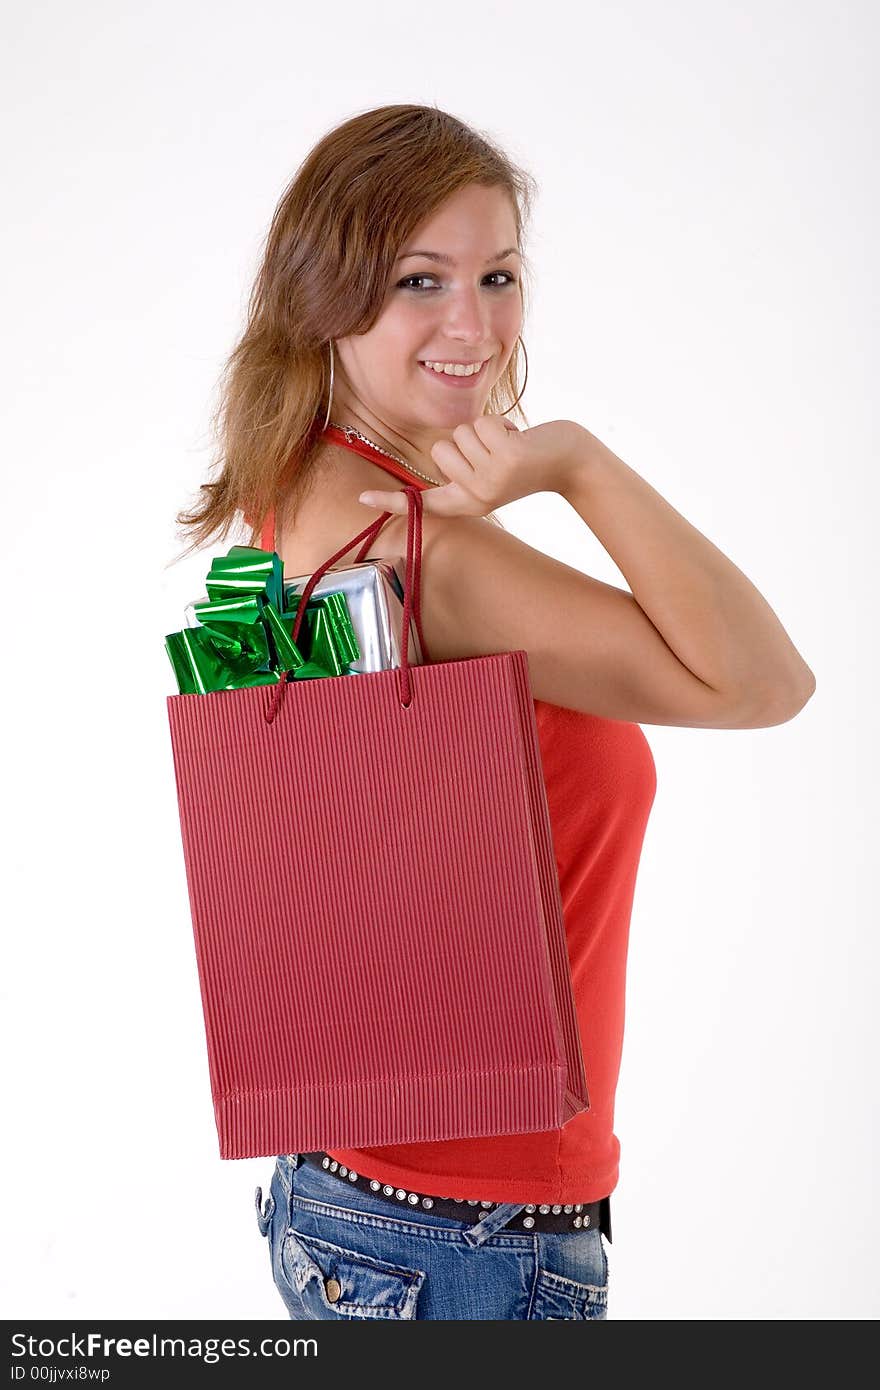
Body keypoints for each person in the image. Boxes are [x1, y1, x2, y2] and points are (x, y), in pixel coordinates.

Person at [177, 104, 816, 1321]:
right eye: (420, 280)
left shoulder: (302, 487)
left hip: (348, 1191)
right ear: (328, 296)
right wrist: (574, 458)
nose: (472, 324)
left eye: (497, 275)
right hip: (475, 1228)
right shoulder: (424, 551)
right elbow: (762, 682)